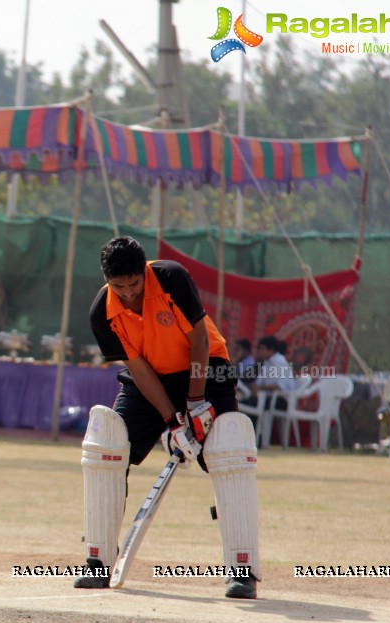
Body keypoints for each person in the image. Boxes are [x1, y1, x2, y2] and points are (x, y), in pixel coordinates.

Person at [78, 236, 259, 599]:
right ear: (107, 280)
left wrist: (195, 403)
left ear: (144, 272)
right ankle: (97, 560)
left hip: (206, 370)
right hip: (151, 379)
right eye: (119, 287)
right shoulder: (103, 311)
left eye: (134, 284)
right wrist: (173, 420)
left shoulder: (171, 278)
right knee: (109, 447)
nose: (128, 293)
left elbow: (200, 342)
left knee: (228, 451)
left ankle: (243, 570)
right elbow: (138, 368)